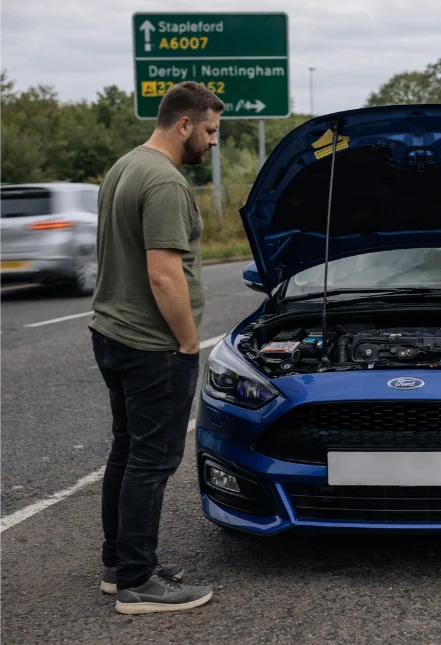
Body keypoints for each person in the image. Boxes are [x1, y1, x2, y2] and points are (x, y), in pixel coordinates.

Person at [89, 81, 223, 615]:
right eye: (210, 131)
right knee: (152, 459)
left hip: (112, 333)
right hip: (152, 344)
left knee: (126, 451)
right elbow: (164, 275)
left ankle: (119, 564)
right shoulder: (165, 183)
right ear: (185, 124)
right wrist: (189, 344)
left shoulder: (125, 166)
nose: (213, 142)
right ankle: (139, 583)